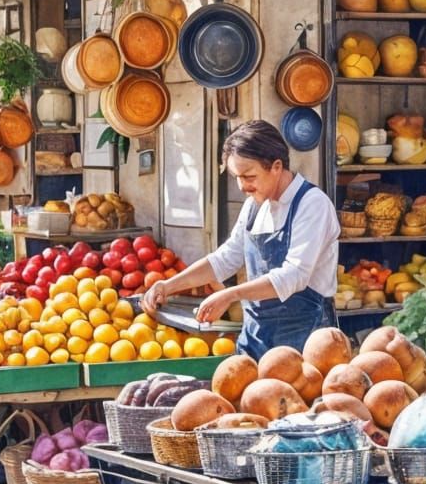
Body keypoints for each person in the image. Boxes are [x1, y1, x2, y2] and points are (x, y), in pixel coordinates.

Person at [145, 119, 340, 359]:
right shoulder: (254, 206)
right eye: (237, 177)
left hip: (307, 341)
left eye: (249, 176)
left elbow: (294, 275)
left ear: (276, 166)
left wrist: (231, 294)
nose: (242, 186)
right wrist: (168, 286)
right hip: (256, 338)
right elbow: (226, 258)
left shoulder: (313, 204)